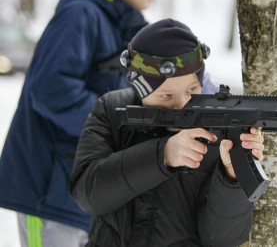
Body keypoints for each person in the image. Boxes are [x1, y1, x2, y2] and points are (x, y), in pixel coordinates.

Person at [0, 0, 163, 246]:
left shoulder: (119, 23)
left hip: (83, 192)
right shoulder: (80, 15)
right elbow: (51, 88)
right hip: (50, 194)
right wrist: (112, 126)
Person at [69, 18, 265, 246]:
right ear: (140, 90)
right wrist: (162, 155)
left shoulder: (221, 127)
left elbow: (220, 238)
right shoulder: (113, 111)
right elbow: (88, 193)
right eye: (166, 96)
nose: (182, 104)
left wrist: (232, 177)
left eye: (192, 90)